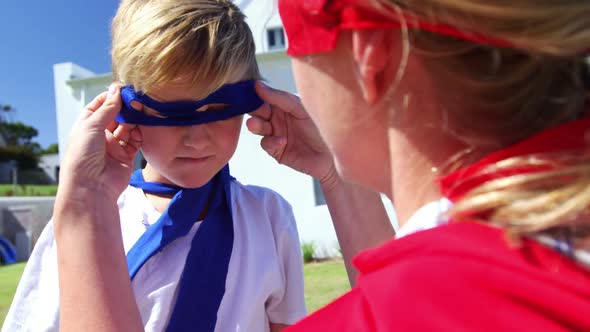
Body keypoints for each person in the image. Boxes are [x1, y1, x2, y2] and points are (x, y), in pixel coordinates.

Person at [49, 0, 590, 331]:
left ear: (370, 57)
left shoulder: (267, 217)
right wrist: (335, 174)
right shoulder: (544, 265)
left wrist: (81, 209)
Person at [2, 1, 309, 331]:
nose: (196, 139)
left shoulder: (269, 216)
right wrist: (83, 203)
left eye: (219, 108)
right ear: (121, 107)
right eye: (166, 112)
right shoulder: (85, 218)